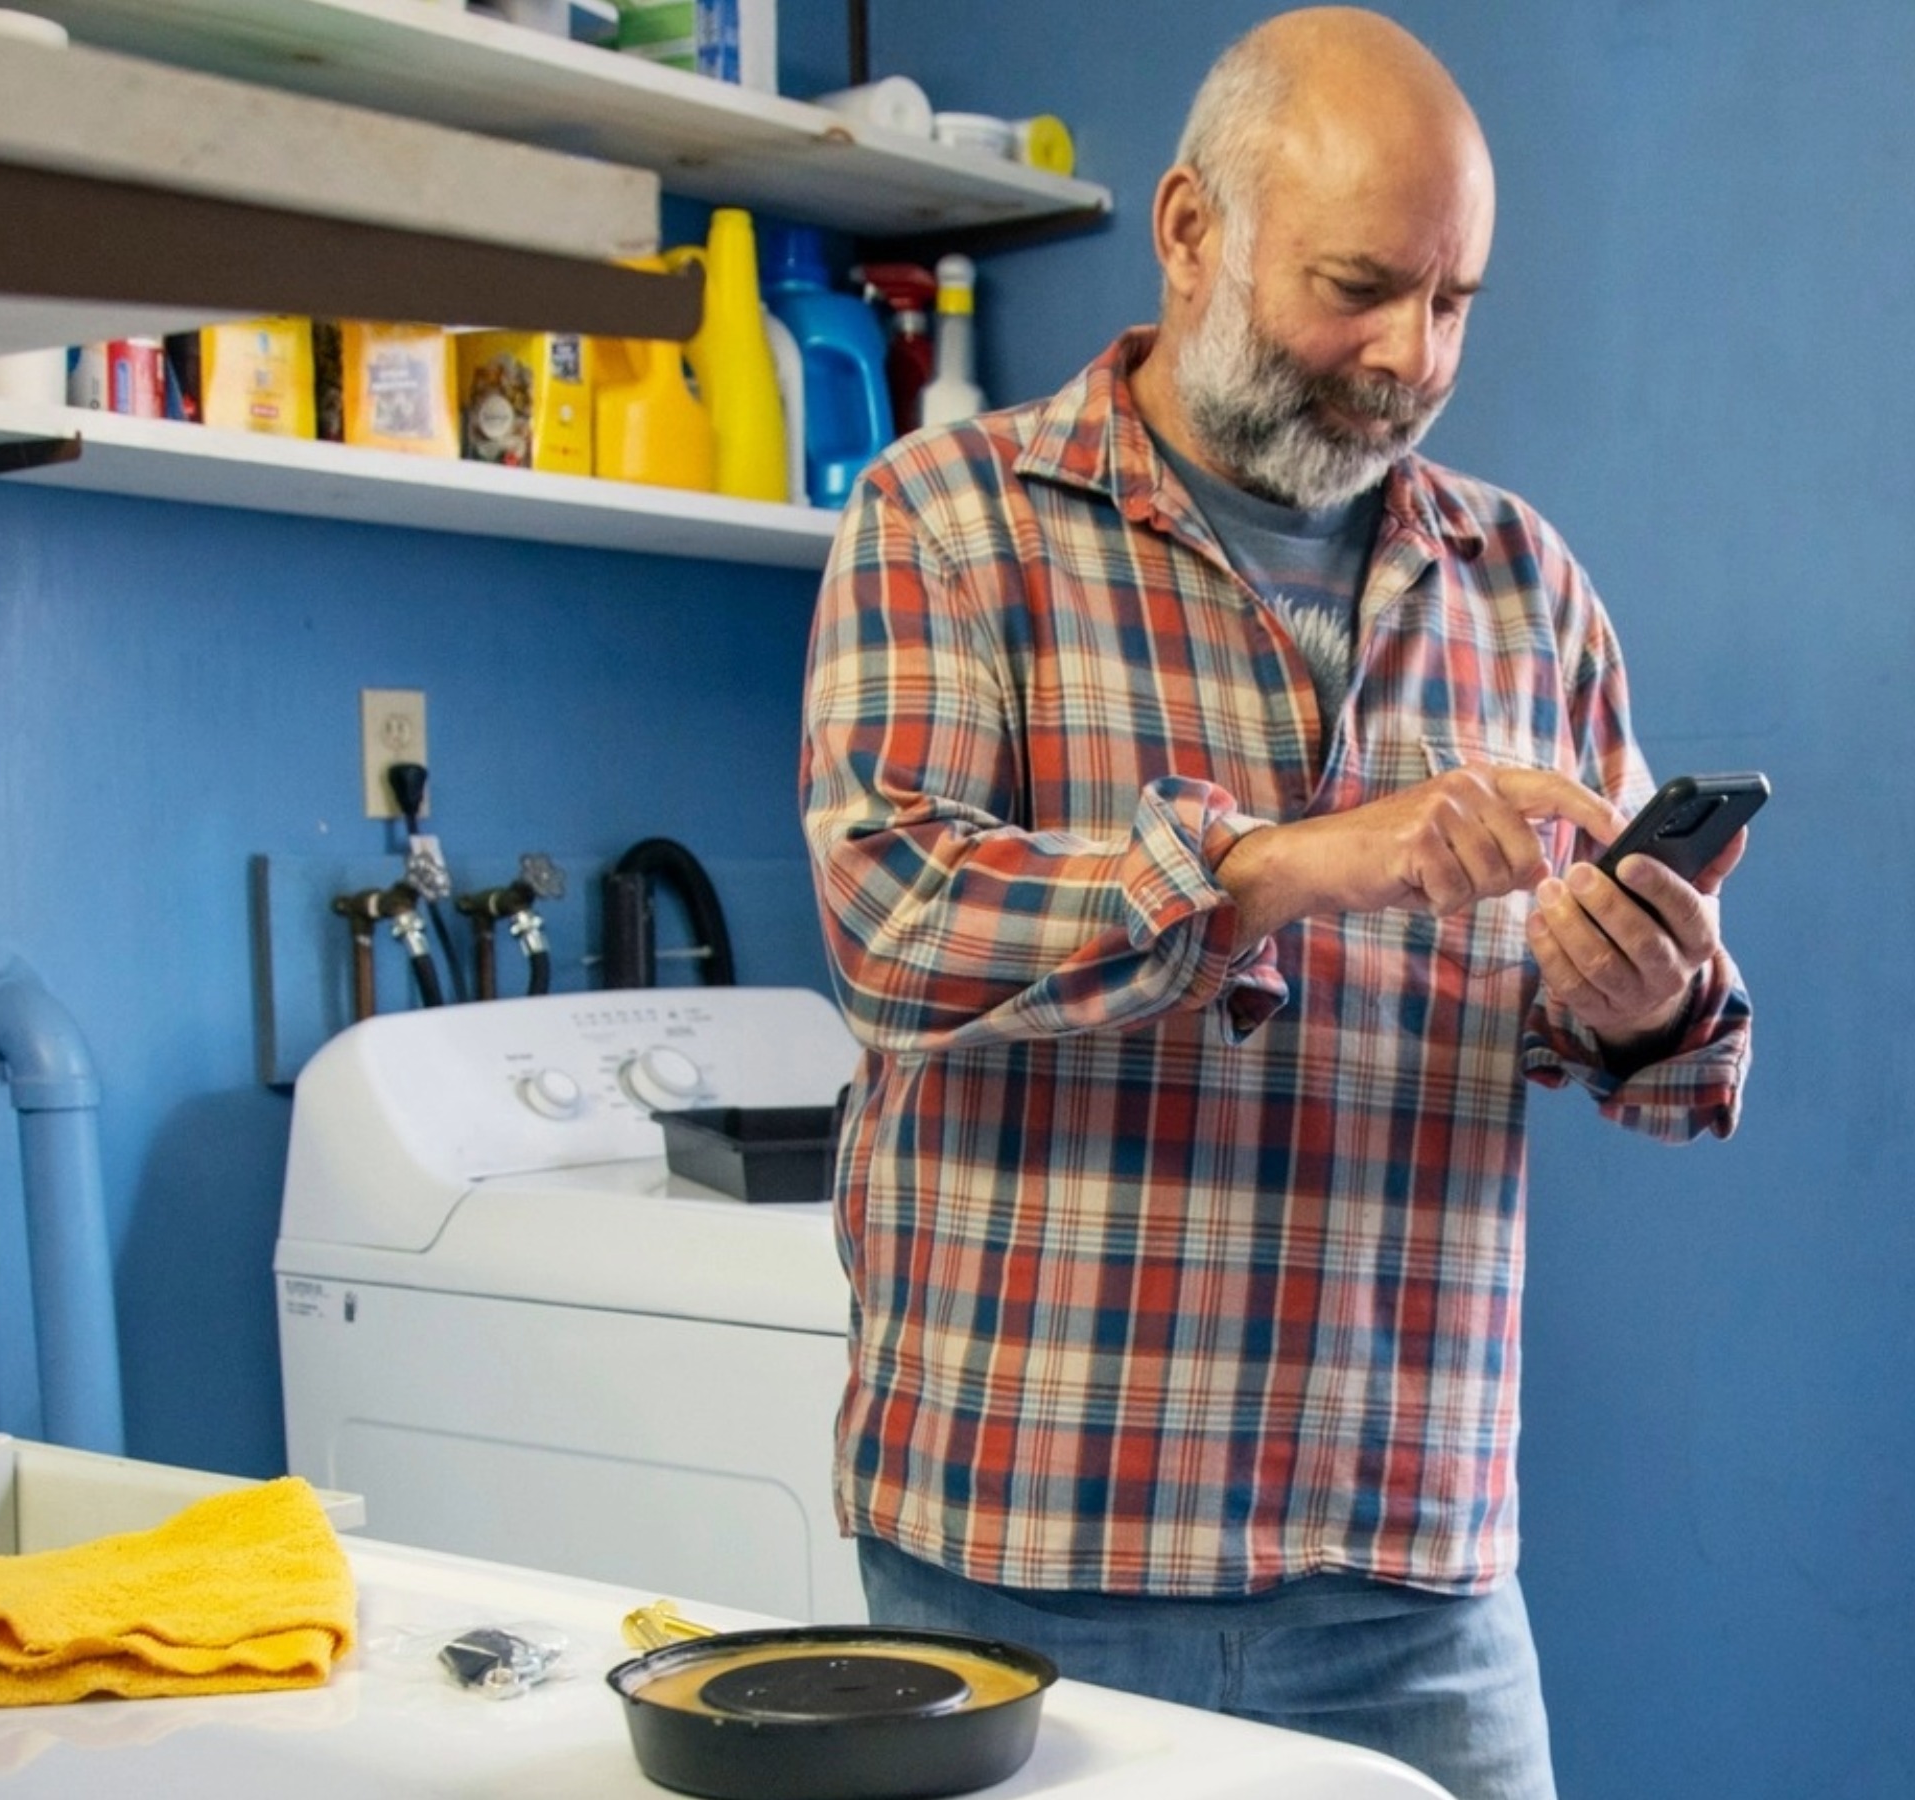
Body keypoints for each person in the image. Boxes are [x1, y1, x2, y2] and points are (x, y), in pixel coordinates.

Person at [795, 9, 1756, 1796]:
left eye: (1456, 303)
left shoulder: (1525, 585)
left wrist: (1643, 999)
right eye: (1359, 287)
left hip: (1413, 1575)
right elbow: (892, 925)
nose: (1410, 357)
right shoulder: (951, 519)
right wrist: (1286, 865)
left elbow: (1681, 1074)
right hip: (1027, 1557)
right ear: (1187, 230)